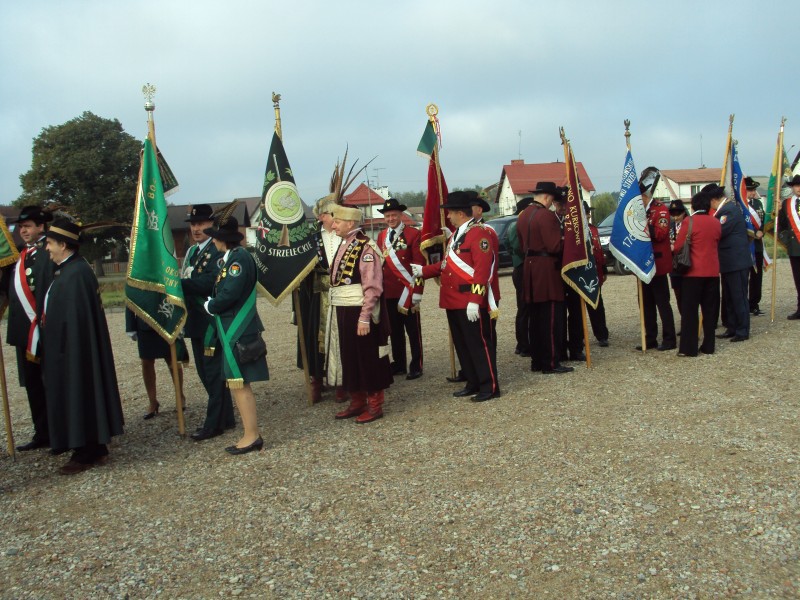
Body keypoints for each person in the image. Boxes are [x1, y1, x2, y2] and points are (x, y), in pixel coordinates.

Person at [41, 219, 124, 474]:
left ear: (64, 244)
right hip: (70, 347)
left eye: (50, 243)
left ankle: (85, 450)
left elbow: (76, 322)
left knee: (80, 392)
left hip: (73, 350)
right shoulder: (70, 270)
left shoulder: (75, 274)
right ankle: (95, 446)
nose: (47, 248)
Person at [413, 192, 500, 400]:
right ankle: (473, 381)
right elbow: (447, 265)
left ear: (460, 213)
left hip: (469, 300)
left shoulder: (479, 234)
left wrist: (475, 300)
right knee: (463, 345)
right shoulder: (456, 235)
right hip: (453, 301)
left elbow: (481, 270)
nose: (448, 216)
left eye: (450, 212)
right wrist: (423, 271)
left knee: (478, 345)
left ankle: (490, 387)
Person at [204, 216, 269, 454]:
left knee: (240, 383)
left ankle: (252, 435)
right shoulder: (232, 258)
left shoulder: (238, 259)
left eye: (214, 237)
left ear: (221, 239)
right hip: (233, 327)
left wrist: (211, 306)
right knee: (238, 384)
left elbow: (230, 293)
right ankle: (249, 433)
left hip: (238, 328)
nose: (212, 241)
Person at [329, 205, 394, 421]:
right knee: (349, 356)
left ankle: (375, 404)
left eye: (337, 221)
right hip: (343, 309)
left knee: (367, 357)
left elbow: (372, 285)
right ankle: (356, 400)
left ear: (350, 223)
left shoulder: (366, 247)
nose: (333, 224)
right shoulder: (344, 244)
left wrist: (365, 316)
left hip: (359, 310)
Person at [181, 204, 236, 441]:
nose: (196, 228)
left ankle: (213, 424)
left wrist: (176, 284)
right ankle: (225, 417)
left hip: (209, 322)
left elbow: (208, 283)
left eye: (201, 224)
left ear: (211, 225)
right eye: (193, 224)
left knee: (213, 373)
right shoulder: (193, 252)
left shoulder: (215, 251)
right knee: (204, 373)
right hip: (194, 320)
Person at [6, 206, 55, 451]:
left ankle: (58, 431)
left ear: (41, 227)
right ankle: (42, 432)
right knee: (33, 384)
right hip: (24, 332)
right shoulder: (22, 254)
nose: (22, 230)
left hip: (43, 331)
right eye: (20, 227)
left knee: (50, 382)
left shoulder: (49, 252)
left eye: (27, 226)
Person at [517, 182, 573, 374]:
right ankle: (550, 362)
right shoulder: (546, 216)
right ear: (548, 197)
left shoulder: (523, 215)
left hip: (530, 269)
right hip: (546, 269)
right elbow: (554, 246)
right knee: (550, 318)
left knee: (535, 318)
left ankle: (537, 360)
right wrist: (567, 240)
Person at [375, 197, 425, 380]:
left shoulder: (413, 234)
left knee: (413, 331)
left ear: (401, 215)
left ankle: (417, 365)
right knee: (394, 331)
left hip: (408, 290)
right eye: (387, 216)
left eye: (393, 215)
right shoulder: (381, 236)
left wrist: (418, 291)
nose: (390, 219)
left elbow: (419, 264)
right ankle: (399, 363)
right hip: (388, 292)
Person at [674, 192, 722, 357]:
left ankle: (689, 348)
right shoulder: (716, 222)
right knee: (709, 311)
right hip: (713, 272)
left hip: (693, 273)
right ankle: (709, 345)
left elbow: (678, 246)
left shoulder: (689, 221)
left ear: (693, 206)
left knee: (690, 312)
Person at [704, 183, 752, 342]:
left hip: (736, 262)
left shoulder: (728, 211)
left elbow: (719, 231)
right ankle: (732, 327)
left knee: (739, 297)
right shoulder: (722, 211)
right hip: (727, 262)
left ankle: (743, 329)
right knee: (729, 297)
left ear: (713, 200)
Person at [637, 167, 677, 351]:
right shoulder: (640, 211)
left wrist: (642, 227)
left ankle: (669, 339)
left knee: (662, 303)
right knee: (645, 304)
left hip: (658, 265)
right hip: (643, 266)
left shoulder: (660, 209)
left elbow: (660, 234)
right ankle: (650, 338)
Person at [124, 308, 188, 419]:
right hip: (145, 323)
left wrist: (179, 321)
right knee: (146, 362)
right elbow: (130, 297)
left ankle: (180, 396)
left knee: (172, 359)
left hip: (167, 320)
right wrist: (130, 326)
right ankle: (152, 402)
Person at [505, 197, 533, 356]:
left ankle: (523, 343)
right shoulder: (517, 226)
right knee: (524, 308)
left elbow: (509, 248)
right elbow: (516, 247)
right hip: (522, 267)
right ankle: (523, 344)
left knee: (525, 308)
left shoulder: (515, 225)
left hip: (520, 266)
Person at [586, 202, 609, 347]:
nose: (588, 215)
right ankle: (578, 337)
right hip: (582, 273)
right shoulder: (574, 231)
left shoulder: (593, 230)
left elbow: (599, 252)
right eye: (586, 213)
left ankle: (602, 334)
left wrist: (604, 269)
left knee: (597, 306)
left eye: (588, 213)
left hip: (595, 273)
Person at [778, 174, 800, 320]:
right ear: (792, 187)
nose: (799, 189)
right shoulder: (787, 204)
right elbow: (782, 226)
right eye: (797, 186)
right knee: (798, 279)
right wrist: (788, 242)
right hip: (796, 248)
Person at [745, 177, 766, 316]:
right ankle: (743, 304)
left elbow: (763, 220)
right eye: (750, 190)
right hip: (745, 246)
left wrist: (762, 230)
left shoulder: (758, 203)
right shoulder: (739, 205)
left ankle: (754, 303)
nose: (753, 192)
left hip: (757, 245)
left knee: (756, 276)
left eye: (754, 189)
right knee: (743, 277)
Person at [668, 199, 689, 323]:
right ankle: (685, 321)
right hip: (674, 266)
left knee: (688, 296)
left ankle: (692, 322)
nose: (675, 217)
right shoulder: (670, 226)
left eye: (678, 214)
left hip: (686, 264)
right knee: (678, 295)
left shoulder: (689, 224)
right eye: (673, 214)